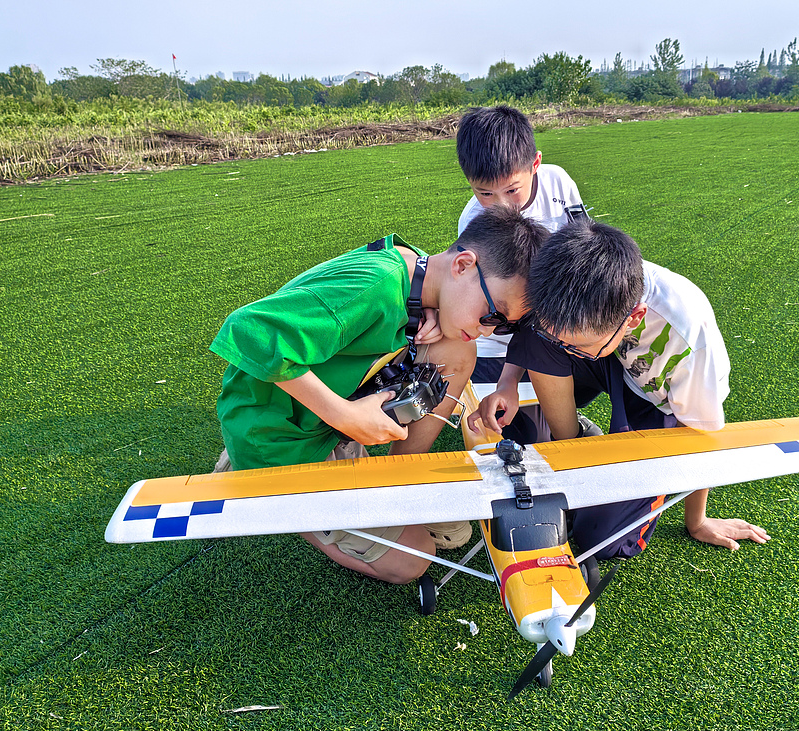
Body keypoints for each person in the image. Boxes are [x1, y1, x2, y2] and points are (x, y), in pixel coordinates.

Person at [209, 206, 549, 584]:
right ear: (463, 265)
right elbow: (247, 329)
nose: (487, 331)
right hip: (277, 436)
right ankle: (265, 489)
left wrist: (423, 313)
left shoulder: (420, 274)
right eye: (492, 315)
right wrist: (345, 416)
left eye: (503, 326)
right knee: (413, 560)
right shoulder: (377, 284)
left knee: (457, 350)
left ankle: (397, 478)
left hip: (322, 421)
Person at [470, 219, 770, 558]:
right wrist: (508, 382)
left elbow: (699, 437)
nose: (569, 351)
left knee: (603, 540)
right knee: (545, 343)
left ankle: (587, 448)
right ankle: (572, 447)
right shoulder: (563, 279)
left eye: (581, 346)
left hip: (655, 400)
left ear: (635, 317)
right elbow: (535, 331)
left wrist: (697, 521)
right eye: (561, 341)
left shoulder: (688, 341)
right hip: (609, 360)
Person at [456, 104, 591, 442]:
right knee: (515, 437)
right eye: (485, 193)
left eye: (512, 190)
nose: (502, 205)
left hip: (554, 333)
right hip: (499, 345)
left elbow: (583, 257)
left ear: (535, 164)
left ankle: (569, 416)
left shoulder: (559, 183)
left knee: (558, 424)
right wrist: (508, 380)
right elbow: (503, 315)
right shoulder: (473, 224)